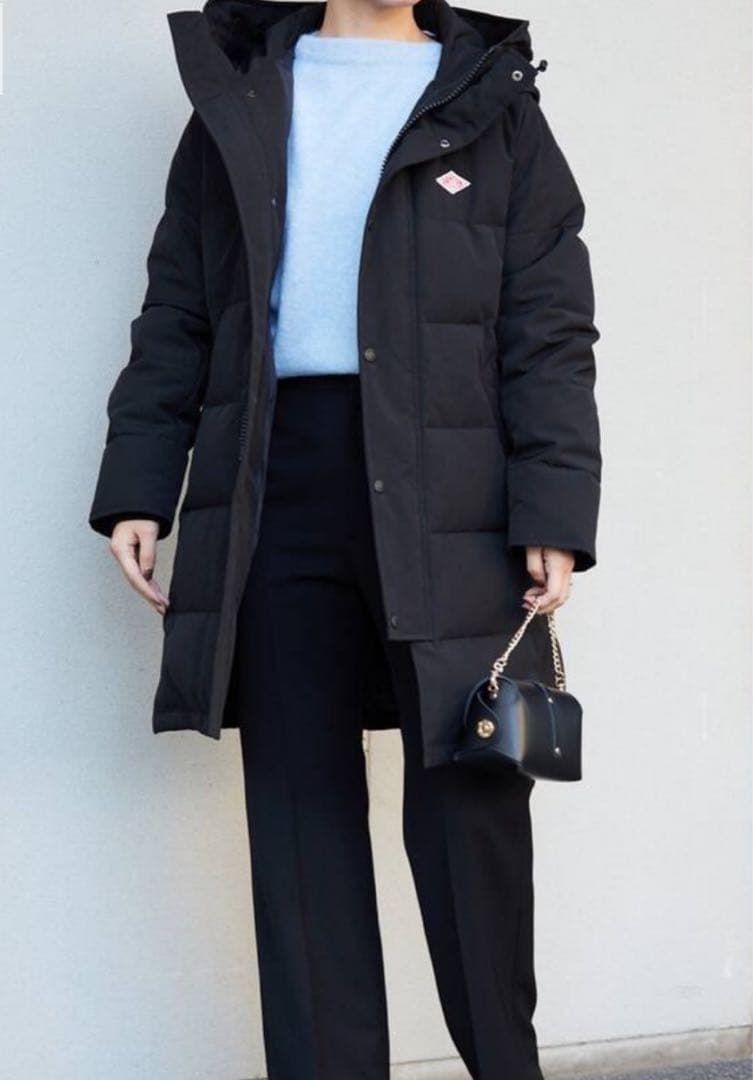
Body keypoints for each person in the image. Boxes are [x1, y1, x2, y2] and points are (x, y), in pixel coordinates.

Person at [88, 0, 602, 1075]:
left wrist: (552, 510)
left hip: (454, 486)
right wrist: (141, 483)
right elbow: (178, 308)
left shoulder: (494, 103)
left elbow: (546, 325)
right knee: (298, 814)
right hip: (277, 481)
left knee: (470, 805)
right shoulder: (241, 94)